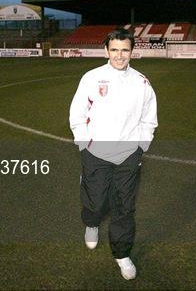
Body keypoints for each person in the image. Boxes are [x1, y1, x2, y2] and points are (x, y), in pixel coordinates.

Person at [69, 28, 158, 280]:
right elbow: (77, 113)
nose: (120, 55)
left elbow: (148, 119)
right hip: (96, 153)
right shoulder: (91, 78)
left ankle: (122, 254)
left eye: (125, 50)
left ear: (132, 52)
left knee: (124, 208)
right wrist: (84, 143)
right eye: (115, 49)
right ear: (106, 50)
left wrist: (141, 147)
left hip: (128, 157)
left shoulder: (142, 82)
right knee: (96, 202)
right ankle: (92, 223)